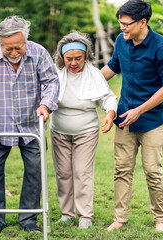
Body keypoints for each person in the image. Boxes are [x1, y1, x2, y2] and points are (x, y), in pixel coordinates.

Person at [0, 16, 59, 234]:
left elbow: (51, 81)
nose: (14, 52)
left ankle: (29, 219)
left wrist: (46, 105)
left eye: (18, 47)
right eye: (8, 48)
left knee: (35, 171)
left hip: (31, 124)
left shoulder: (39, 53)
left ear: (26, 40)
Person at [100, 0, 163, 232]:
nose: (122, 28)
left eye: (126, 24)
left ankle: (161, 219)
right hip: (125, 117)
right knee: (121, 169)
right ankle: (119, 218)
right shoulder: (120, 42)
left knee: (152, 170)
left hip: (153, 119)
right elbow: (112, 68)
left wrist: (140, 110)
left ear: (142, 22)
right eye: (120, 24)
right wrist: (85, 82)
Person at [50, 31, 117, 229]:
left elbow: (108, 98)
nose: (73, 63)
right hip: (59, 130)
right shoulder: (55, 72)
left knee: (82, 172)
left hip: (86, 131)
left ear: (86, 56)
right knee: (63, 173)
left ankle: (85, 216)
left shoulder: (94, 74)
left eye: (78, 58)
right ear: (62, 58)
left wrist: (110, 114)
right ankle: (66, 213)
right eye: (69, 58)